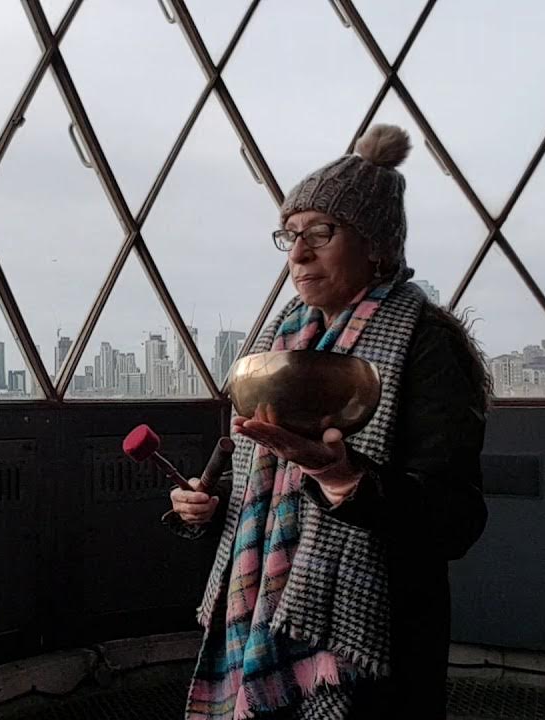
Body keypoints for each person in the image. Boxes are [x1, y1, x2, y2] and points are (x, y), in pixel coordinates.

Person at [165, 124, 490, 719]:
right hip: (260, 604)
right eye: (289, 235)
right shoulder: (281, 343)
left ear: (376, 246)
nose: (298, 253)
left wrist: (343, 480)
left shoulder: (426, 343)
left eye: (321, 232)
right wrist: (211, 509)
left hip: (372, 636)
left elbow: (456, 518)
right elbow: (260, 489)